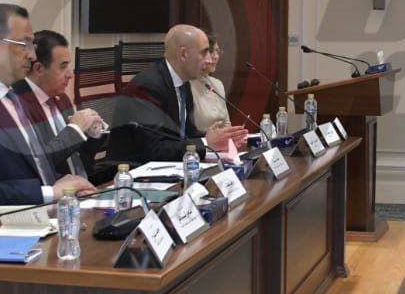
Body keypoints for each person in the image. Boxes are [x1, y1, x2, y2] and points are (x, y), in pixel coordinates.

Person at [0, 5, 100, 210]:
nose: (32, 55)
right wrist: (50, 193)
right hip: (8, 222)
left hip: (47, 210)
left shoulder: (14, 98)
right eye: (24, 44)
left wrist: (67, 186)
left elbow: (33, 167)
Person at [107, 24, 248, 163]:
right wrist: (206, 142)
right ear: (183, 54)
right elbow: (155, 149)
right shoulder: (147, 87)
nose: (209, 60)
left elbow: (186, 135)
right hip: (132, 171)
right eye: (204, 52)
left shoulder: (183, 82)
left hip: (169, 166)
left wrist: (220, 141)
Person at [22, 27, 109, 181]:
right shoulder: (18, 105)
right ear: (39, 68)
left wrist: (92, 132)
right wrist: (75, 130)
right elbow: (39, 163)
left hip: (84, 185)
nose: (70, 74)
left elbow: (79, 155)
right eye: (63, 66)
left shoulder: (61, 98)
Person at [190, 33, 231, 131]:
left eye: (217, 51)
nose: (216, 57)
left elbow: (227, 123)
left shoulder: (218, 84)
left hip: (221, 139)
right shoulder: (186, 85)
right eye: (211, 51)